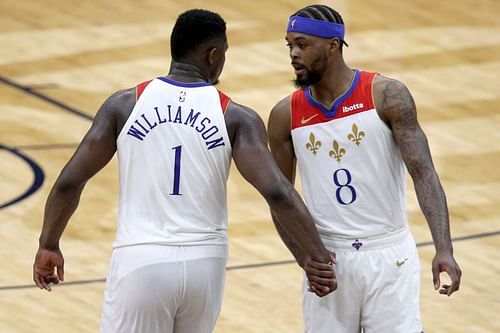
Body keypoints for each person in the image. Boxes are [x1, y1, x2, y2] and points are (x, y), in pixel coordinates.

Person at [32, 9, 336, 333]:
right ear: (213, 55)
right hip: (205, 265)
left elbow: (69, 182)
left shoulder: (125, 104)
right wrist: (317, 256)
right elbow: (277, 191)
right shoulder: (236, 117)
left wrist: (49, 244)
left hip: (142, 259)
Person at [267, 4, 462, 333]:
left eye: (302, 44)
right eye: (290, 45)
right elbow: (280, 197)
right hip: (328, 258)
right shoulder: (285, 115)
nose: (293, 54)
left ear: (332, 45)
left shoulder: (386, 95)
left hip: (389, 254)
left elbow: (424, 172)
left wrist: (444, 248)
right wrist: (305, 257)